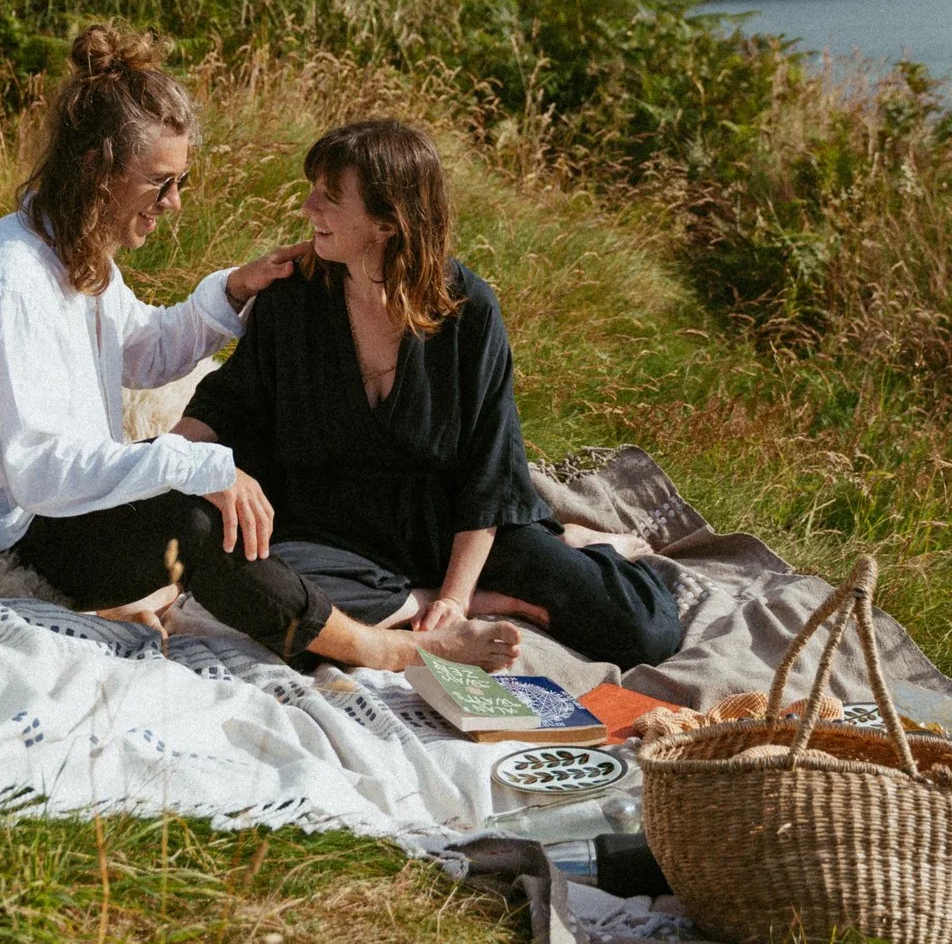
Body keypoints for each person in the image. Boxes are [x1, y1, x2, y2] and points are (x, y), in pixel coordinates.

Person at [0, 25, 523, 671]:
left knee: (198, 494)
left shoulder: (68, 250)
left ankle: (290, 601)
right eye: (159, 182)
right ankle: (396, 650)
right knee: (199, 522)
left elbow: (136, 351)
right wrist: (196, 467)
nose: (173, 204)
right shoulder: (9, 286)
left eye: (181, 181)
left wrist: (230, 291)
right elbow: (42, 474)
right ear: (96, 169)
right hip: (7, 532)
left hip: (55, 502)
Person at [174, 118, 681, 668]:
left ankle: (587, 548)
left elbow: (489, 473)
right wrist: (162, 461)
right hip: (330, 531)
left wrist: (456, 596)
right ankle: (456, 601)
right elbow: (230, 403)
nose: (307, 207)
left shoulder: (468, 310)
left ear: (388, 223)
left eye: (330, 196)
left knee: (644, 632)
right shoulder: (293, 297)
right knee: (259, 588)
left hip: (450, 528)